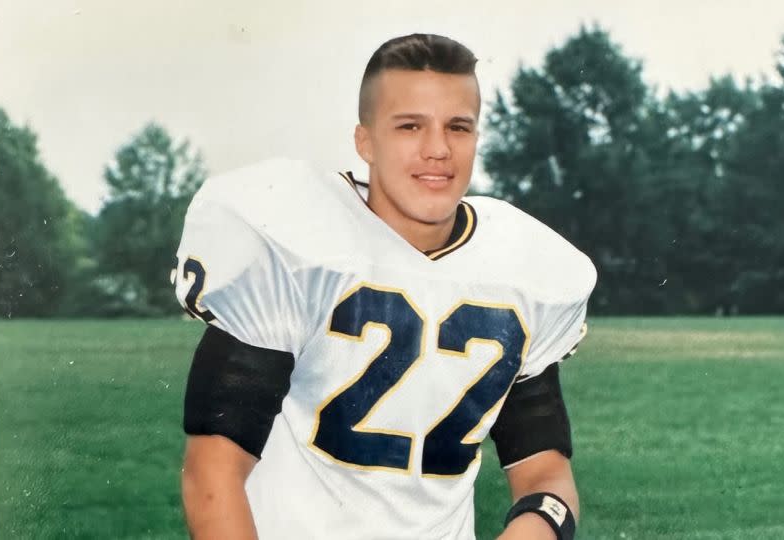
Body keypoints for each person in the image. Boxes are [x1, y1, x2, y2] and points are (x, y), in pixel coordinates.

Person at [173, 33, 596, 540]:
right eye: (410, 126)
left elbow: (545, 475)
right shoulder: (299, 243)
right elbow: (211, 471)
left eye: (458, 127)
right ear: (365, 141)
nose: (437, 149)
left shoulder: (522, 269)